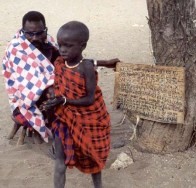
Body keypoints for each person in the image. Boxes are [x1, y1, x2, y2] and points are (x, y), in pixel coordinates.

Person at [2, 11, 119, 145]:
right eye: (29, 34)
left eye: (39, 33)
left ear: (45, 30)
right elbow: (27, 84)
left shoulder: (50, 43)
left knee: (75, 87)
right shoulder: (16, 49)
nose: (34, 38)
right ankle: (54, 131)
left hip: (52, 89)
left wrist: (103, 62)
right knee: (56, 94)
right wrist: (53, 88)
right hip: (26, 98)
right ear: (22, 31)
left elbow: (72, 61)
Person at [43, 21, 111, 188]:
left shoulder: (86, 68)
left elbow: (90, 99)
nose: (63, 49)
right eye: (60, 45)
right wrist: (54, 101)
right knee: (59, 162)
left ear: (82, 46)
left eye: (68, 46)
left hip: (88, 121)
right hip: (63, 118)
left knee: (93, 157)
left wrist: (64, 100)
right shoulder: (60, 62)